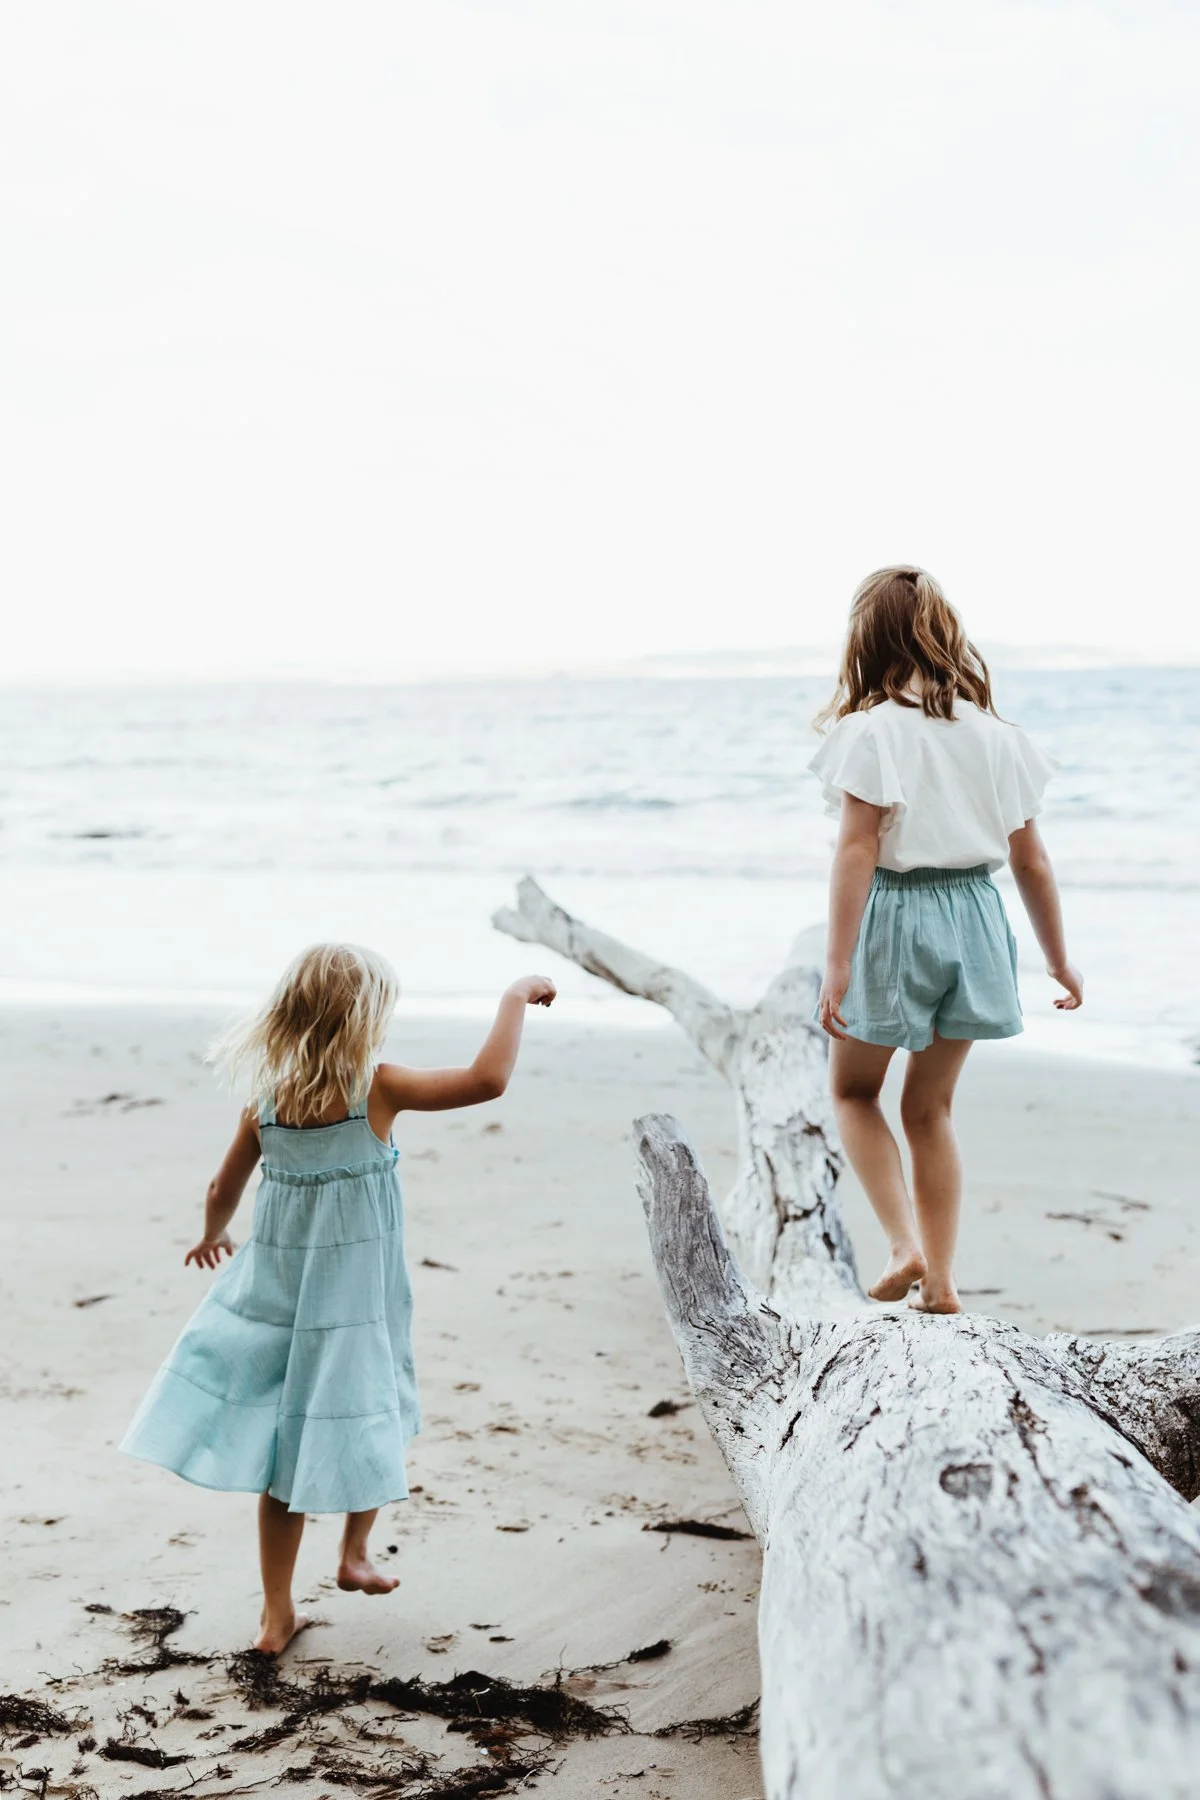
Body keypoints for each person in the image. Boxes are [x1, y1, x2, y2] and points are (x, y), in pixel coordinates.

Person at [122, 943, 555, 1653]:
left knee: (282, 1454)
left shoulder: (265, 1103)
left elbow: (219, 1189)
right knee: (369, 1409)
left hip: (282, 1299)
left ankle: (275, 1615)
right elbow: (488, 1079)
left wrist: (212, 1235)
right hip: (356, 1302)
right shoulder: (376, 1089)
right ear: (365, 1019)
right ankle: (354, 1554)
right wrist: (513, 998)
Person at [809, 566, 1082, 1315]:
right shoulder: (998, 736)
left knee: (853, 1090)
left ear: (866, 642)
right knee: (931, 1110)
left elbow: (858, 851)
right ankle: (945, 1283)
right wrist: (1058, 960)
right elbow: (1031, 860)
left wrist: (836, 963)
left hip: (898, 919)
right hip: (978, 919)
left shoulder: (869, 732)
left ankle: (905, 1246)